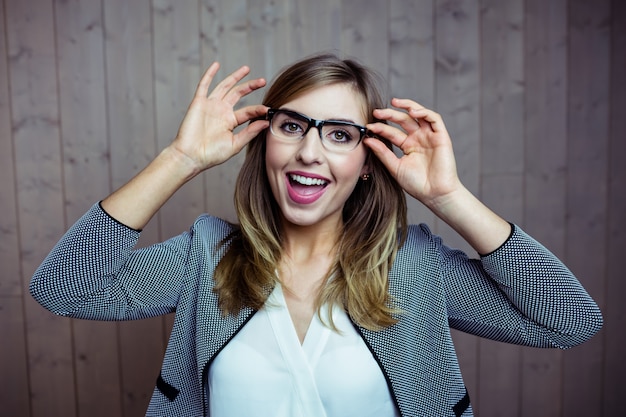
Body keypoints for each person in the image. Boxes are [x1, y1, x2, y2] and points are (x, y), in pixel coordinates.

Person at [30, 53, 602, 417]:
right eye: (292, 126)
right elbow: (62, 287)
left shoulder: (417, 270)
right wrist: (180, 159)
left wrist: (448, 198)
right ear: (265, 139)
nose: (309, 150)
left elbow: (570, 321)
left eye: (338, 134)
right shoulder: (206, 259)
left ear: (369, 159)